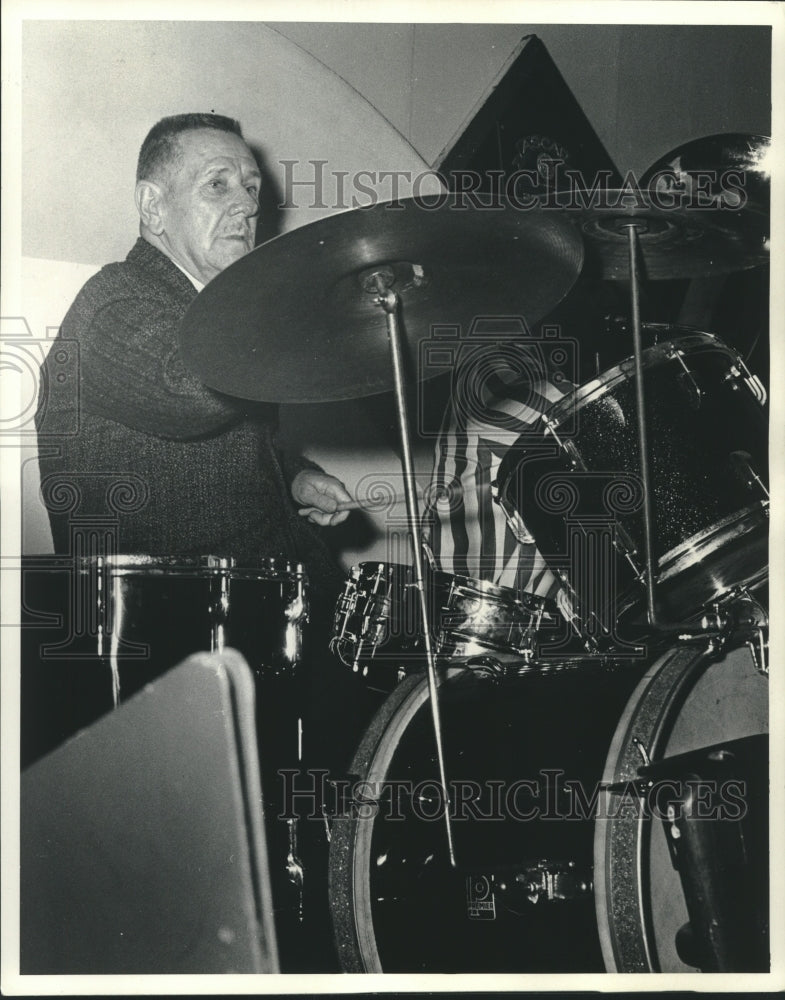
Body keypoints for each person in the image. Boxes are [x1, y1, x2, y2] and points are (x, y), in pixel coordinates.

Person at [36, 113, 351, 591]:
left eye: (251, 188)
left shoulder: (212, 316)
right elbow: (189, 393)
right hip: (168, 633)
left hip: (272, 608)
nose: (246, 205)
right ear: (152, 206)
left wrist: (294, 478)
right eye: (217, 185)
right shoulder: (113, 300)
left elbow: (230, 444)